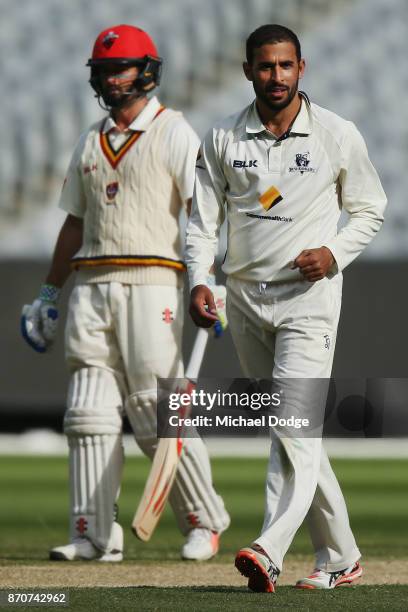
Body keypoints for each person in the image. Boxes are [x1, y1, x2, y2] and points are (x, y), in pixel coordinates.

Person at [186, 24, 387, 591]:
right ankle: (342, 557)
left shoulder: (335, 133)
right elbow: (202, 224)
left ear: (303, 68)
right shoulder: (223, 137)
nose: (276, 76)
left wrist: (334, 251)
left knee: (292, 426)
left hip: (308, 301)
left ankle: (268, 548)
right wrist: (201, 280)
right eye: (265, 66)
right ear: (248, 70)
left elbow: (370, 209)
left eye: (285, 66)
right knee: (287, 430)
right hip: (245, 300)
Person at [21, 24, 229, 562]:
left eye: (122, 68)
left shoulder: (175, 133)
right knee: (87, 413)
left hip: (152, 280)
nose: (113, 79)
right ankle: (94, 534)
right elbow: (73, 222)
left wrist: (205, 277)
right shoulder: (90, 140)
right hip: (91, 284)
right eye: (104, 71)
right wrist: (49, 291)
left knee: (154, 408)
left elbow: (200, 211)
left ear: (147, 72)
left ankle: (205, 522)